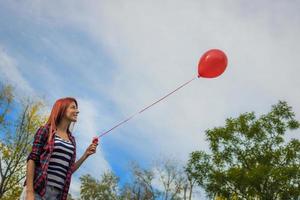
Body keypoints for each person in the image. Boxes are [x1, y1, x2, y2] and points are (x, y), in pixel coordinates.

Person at [20, 97, 99, 200]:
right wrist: (29, 192)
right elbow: (32, 159)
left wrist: (85, 155)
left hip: (57, 195)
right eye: (73, 108)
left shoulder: (72, 140)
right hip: (37, 190)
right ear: (62, 109)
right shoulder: (45, 131)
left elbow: (69, 171)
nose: (77, 111)